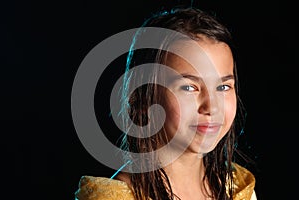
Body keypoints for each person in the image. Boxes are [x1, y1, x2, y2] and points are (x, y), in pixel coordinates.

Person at [74, 6, 257, 200]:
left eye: (223, 87)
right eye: (189, 87)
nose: (211, 107)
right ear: (144, 99)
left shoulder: (236, 189)